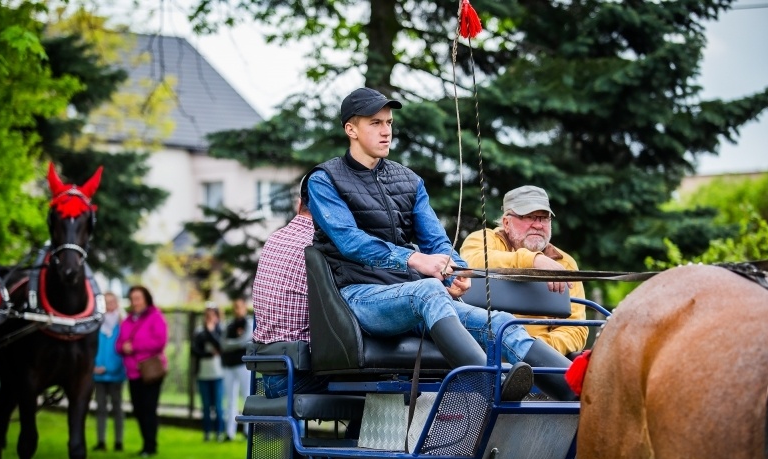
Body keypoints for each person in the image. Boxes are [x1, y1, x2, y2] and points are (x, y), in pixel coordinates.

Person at [303, 87, 578, 401]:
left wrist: (455, 271)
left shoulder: (409, 181)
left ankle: (577, 392)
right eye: (375, 123)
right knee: (428, 290)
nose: (386, 131)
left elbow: (436, 242)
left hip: (410, 295)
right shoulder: (324, 180)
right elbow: (350, 241)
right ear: (351, 130)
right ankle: (491, 387)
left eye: (389, 123)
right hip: (357, 297)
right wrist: (414, 260)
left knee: (501, 323)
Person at [460, 185, 589, 356]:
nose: (538, 225)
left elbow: (576, 328)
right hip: (482, 356)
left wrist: (532, 349)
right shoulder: (482, 239)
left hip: (540, 361)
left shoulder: (564, 263)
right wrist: (533, 260)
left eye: (544, 218)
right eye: (529, 217)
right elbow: (471, 262)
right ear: (506, 222)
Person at [252, 193, 329, 399]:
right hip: (296, 375)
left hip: (269, 371)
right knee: (378, 377)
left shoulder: (274, 239)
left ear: (299, 204)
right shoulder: (320, 244)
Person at [116, 285, 168, 457]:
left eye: (138, 298)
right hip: (133, 372)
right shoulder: (127, 321)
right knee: (138, 409)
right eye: (132, 299)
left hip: (150, 371)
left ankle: (150, 446)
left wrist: (135, 346)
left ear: (146, 299)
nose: (135, 302)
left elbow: (159, 341)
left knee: (148, 408)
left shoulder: (156, 317)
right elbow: (119, 344)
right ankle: (145, 443)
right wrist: (123, 347)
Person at [92, 292, 126, 452]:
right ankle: (101, 441)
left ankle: (118, 442)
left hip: (116, 375)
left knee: (117, 408)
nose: (109, 305)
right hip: (98, 375)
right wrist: (94, 366)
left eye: (112, 302)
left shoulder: (122, 325)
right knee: (100, 409)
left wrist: (110, 367)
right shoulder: (96, 325)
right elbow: (92, 348)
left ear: (117, 303)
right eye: (106, 302)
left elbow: (122, 350)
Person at [191, 303, 225, 442]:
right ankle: (206, 432)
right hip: (203, 373)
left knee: (218, 405)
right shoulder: (199, 331)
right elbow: (194, 350)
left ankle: (219, 432)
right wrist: (209, 354)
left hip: (218, 373)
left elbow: (221, 346)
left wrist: (210, 332)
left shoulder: (221, 330)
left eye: (212, 315)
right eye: (207, 316)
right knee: (206, 405)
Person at [221, 298, 252, 440]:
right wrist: (235, 344)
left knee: (246, 397)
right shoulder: (229, 325)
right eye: (235, 307)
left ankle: (247, 430)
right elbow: (223, 343)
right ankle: (230, 432)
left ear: (244, 308)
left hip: (243, 364)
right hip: (229, 365)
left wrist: (231, 344)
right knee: (230, 399)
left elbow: (245, 341)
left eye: (239, 307)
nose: (237, 310)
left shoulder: (249, 323)